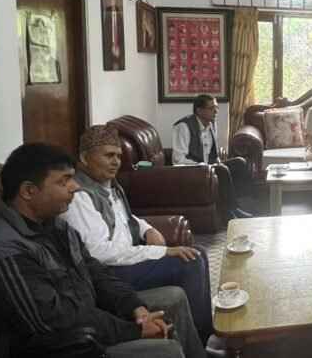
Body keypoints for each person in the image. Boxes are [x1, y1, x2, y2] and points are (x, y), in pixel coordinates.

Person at [0, 143, 205, 358]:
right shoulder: (4, 247)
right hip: (65, 344)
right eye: (64, 181)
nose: (76, 187)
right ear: (28, 191)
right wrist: (135, 330)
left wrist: (134, 306)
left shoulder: (56, 225)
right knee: (165, 351)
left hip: (91, 315)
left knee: (173, 297)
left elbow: (96, 272)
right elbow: (53, 318)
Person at [59, 125, 213, 345]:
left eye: (118, 156)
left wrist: (146, 228)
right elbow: (98, 253)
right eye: (108, 155)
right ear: (84, 157)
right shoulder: (78, 197)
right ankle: (200, 341)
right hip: (110, 273)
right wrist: (162, 251)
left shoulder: (108, 185)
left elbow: (124, 217)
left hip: (126, 259)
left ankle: (206, 334)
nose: (115, 162)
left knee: (199, 252)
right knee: (190, 263)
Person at [172, 94, 253, 220]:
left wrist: (216, 160)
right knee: (222, 170)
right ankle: (227, 214)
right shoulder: (183, 126)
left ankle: (235, 206)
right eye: (211, 108)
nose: (216, 111)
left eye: (216, 107)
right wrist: (206, 166)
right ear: (199, 111)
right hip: (192, 170)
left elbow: (210, 151)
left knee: (239, 162)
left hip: (207, 166)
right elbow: (178, 159)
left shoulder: (211, 123)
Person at [103, 0, 125, 71]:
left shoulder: (120, 15)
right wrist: (111, 47)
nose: (112, 1)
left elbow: (123, 36)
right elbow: (104, 35)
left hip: (119, 52)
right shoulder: (105, 15)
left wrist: (119, 48)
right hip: (108, 52)